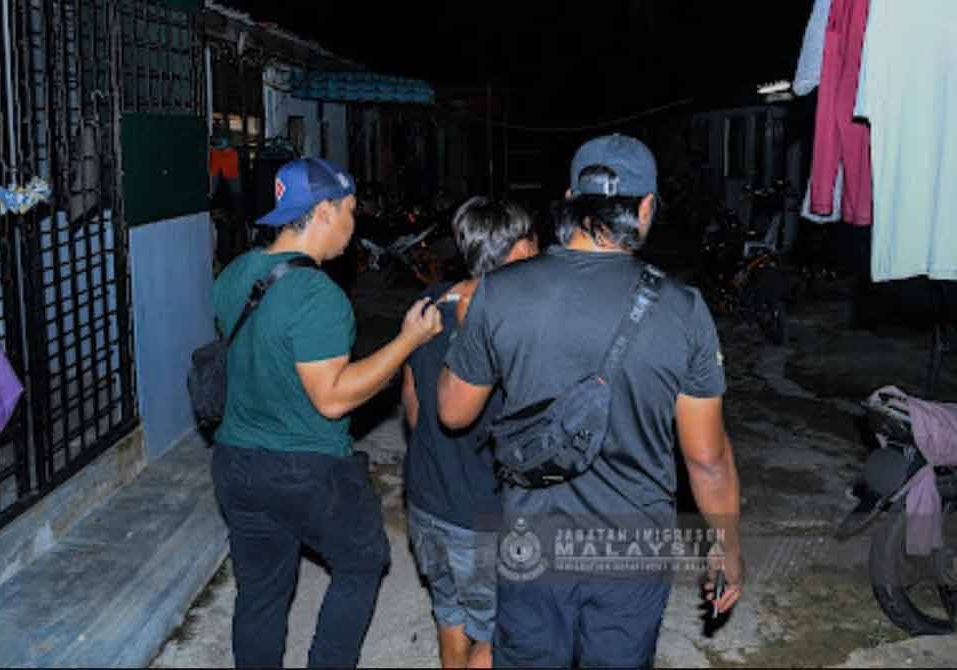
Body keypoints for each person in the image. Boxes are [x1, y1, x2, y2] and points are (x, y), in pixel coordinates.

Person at [438, 134, 744, 668]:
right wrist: (728, 547)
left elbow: (454, 411)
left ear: (570, 200)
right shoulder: (683, 309)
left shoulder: (499, 292)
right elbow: (706, 458)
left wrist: (459, 337)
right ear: (646, 208)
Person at [211, 156, 443, 668]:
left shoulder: (236, 274)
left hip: (235, 462)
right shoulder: (318, 295)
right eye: (350, 211)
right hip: (305, 467)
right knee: (364, 561)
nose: (354, 225)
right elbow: (333, 397)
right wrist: (407, 340)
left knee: (261, 592)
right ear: (323, 212)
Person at [401, 197, 538, 669]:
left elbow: (415, 409)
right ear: (518, 250)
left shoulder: (429, 305)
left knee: (451, 615)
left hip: (426, 502)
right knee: (508, 632)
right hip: (482, 515)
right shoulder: (514, 325)